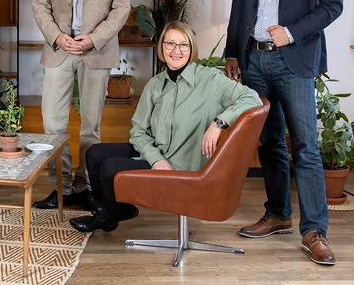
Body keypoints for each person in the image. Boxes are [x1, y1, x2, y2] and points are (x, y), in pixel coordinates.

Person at [225, 0, 343, 266]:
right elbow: (240, 3)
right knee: (270, 143)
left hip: (294, 61)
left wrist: (291, 32)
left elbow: (333, 4)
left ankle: (315, 232)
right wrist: (232, 54)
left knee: (305, 147)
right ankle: (278, 214)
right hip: (255, 61)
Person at [70, 21, 262, 234]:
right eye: (170, 43)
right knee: (95, 154)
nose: (176, 51)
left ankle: (110, 213)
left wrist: (219, 123)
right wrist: (156, 159)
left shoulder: (210, 79)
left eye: (183, 45)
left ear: (191, 49)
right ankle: (111, 211)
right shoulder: (155, 83)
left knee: (110, 168)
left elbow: (252, 98)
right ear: (162, 47)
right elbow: (138, 131)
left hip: (182, 165)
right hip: (157, 153)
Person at [30, 0, 130, 211]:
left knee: (91, 126)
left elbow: (122, 7)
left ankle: (86, 185)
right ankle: (61, 189)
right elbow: (39, 4)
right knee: (52, 124)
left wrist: (93, 38)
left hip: (95, 50)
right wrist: (58, 37)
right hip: (59, 49)